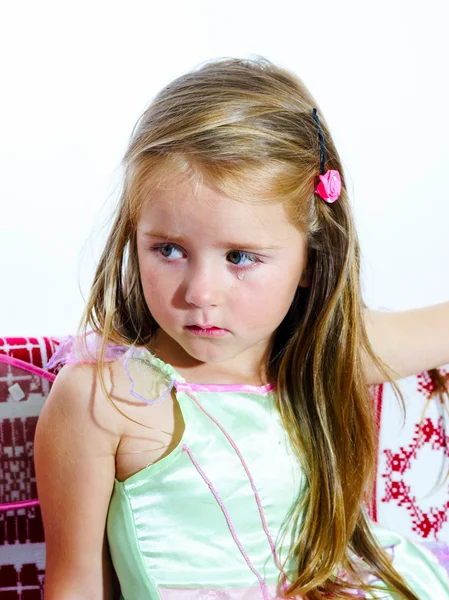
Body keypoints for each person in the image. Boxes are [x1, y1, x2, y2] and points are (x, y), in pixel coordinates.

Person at [34, 56, 449, 600]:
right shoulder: (105, 400)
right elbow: (77, 585)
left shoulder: (321, 352)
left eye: (241, 257)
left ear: (311, 261)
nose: (200, 292)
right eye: (168, 249)